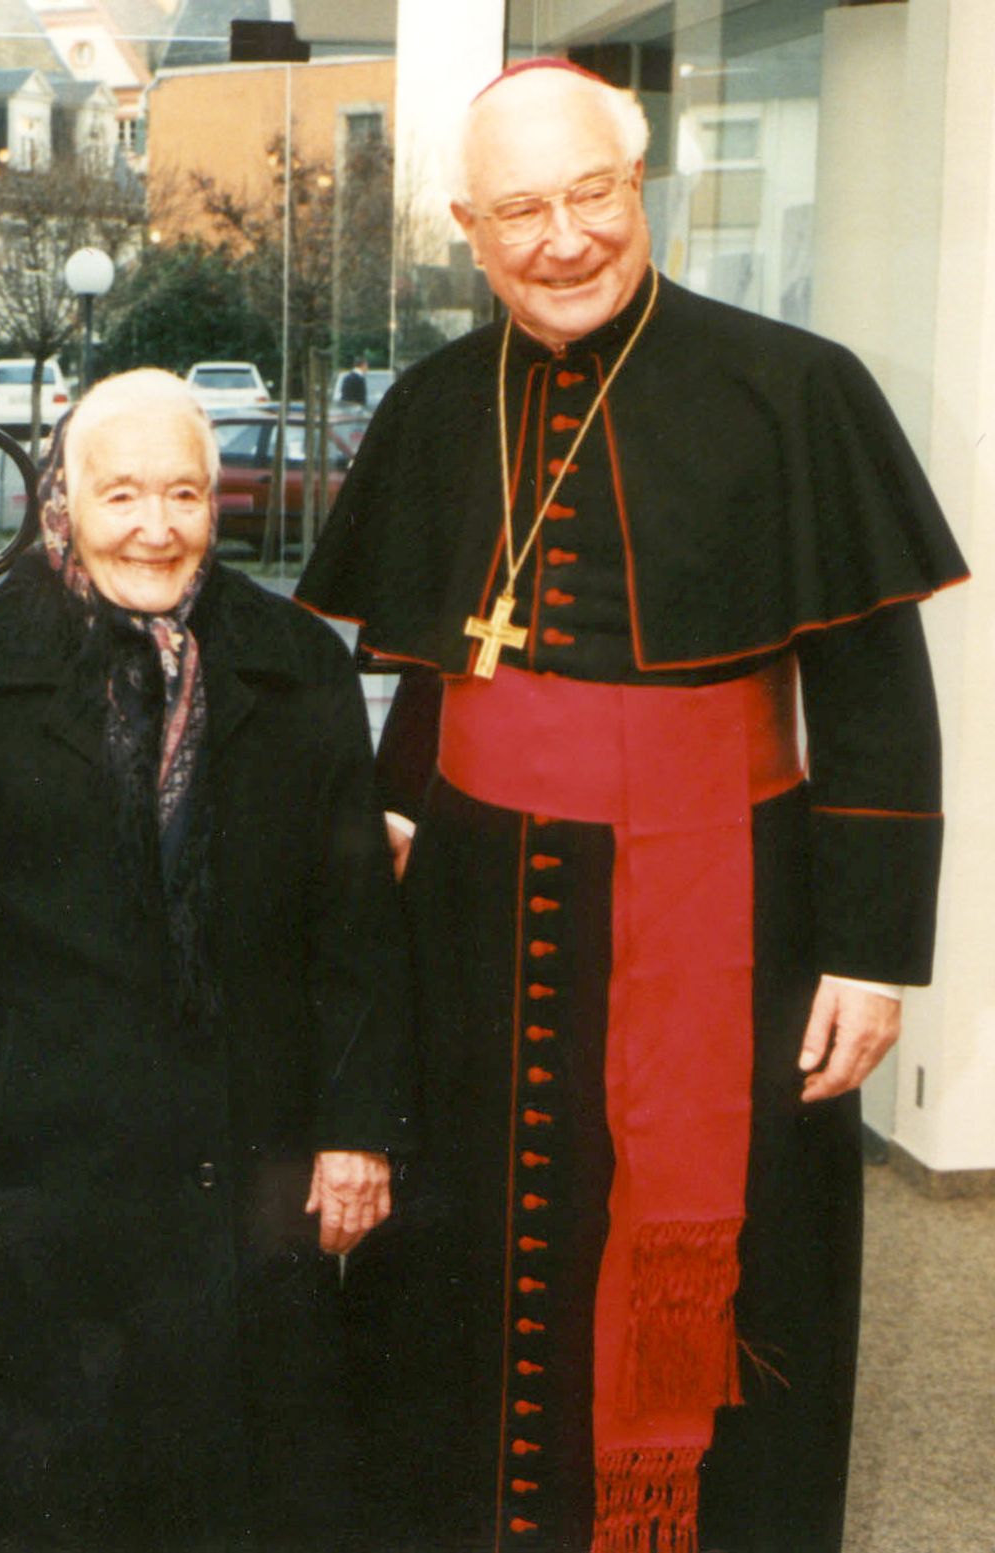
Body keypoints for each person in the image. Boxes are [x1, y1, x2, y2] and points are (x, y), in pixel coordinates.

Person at [297, 59, 967, 1553]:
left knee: (742, 1258)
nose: (563, 239)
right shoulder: (431, 402)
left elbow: (872, 693)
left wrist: (871, 950)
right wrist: (382, 849)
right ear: (469, 230)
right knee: (469, 1247)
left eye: (590, 195)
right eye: (521, 211)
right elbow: (428, 665)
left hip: (734, 899)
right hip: (473, 909)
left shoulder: (795, 388)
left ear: (638, 186)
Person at [0, 367, 414, 1553]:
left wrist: (359, 1128)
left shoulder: (297, 664)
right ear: (62, 501)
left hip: (250, 1161)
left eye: (184, 494)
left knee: (253, 1490)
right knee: (51, 1492)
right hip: (43, 1172)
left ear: (218, 506)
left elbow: (354, 925)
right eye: (122, 494)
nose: (156, 526)